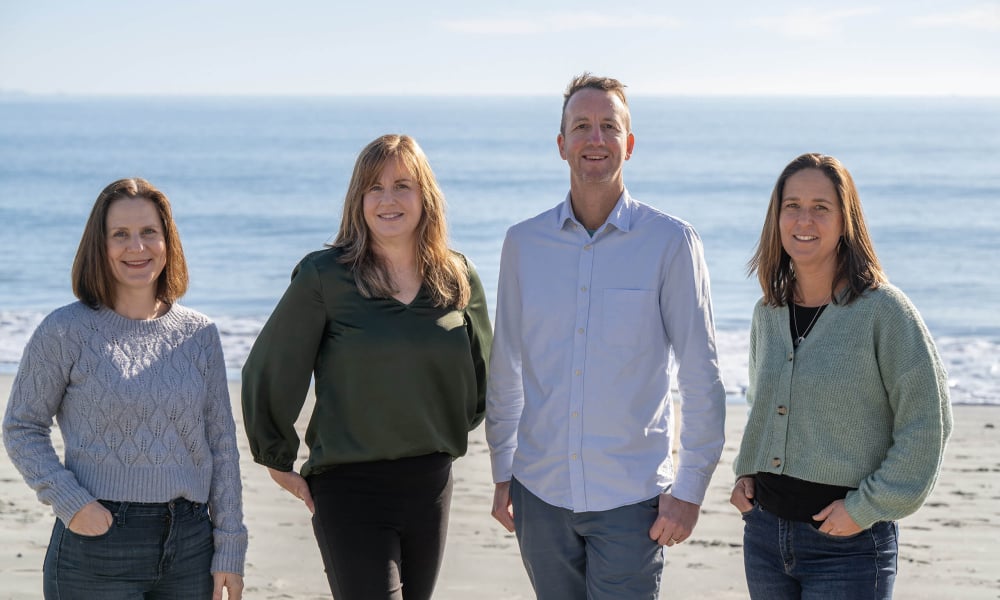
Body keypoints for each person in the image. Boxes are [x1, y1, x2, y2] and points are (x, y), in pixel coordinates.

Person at [486, 73, 727, 599]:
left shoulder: (671, 243)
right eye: (581, 126)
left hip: (633, 501)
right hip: (540, 496)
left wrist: (689, 489)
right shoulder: (523, 244)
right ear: (561, 145)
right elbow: (505, 367)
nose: (595, 139)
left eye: (608, 127)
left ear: (629, 144)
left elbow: (701, 375)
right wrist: (503, 470)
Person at [241, 134, 492, 600]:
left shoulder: (458, 276)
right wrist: (275, 456)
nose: (388, 199)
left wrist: (439, 429)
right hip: (348, 486)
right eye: (373, 188)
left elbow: (483, 376)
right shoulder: (325, 275)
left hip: (431, 483)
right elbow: (272, 364)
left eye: (402, 185)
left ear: (426, 196)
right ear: (358, 201)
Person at [3, 178, 247, 599]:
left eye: (149, 232)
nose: (137, 247)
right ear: (100, 246)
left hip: (191, 546)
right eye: (120, 235)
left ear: (167, 241)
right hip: (97, 545)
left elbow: (222, 446)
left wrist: (229, 546)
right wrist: (71, 503)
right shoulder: (65, 331)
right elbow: (22, 426)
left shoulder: (199, 334)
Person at [730, 153, 953, 599]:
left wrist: (866, 508)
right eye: (791, 205)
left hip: (848, 546)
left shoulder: (883, 311)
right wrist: (746, 471)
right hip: (765, 538)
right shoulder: (768, 313)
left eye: (821, 207)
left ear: (845, 219)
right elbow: (766, 404)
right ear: (777, 217)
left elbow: (928, 422)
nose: (803, 219)